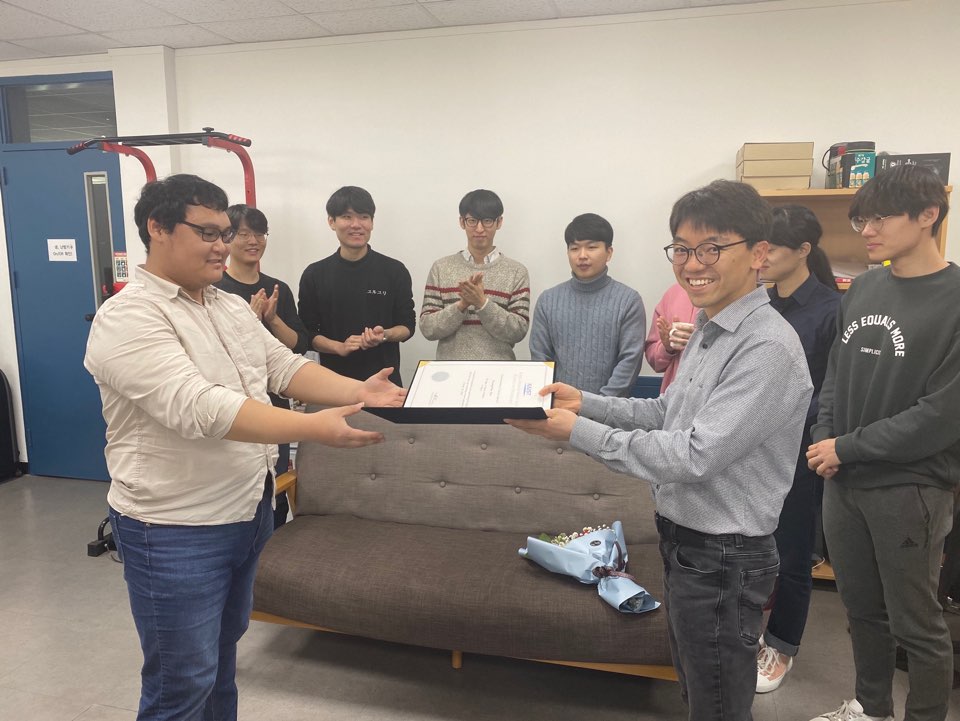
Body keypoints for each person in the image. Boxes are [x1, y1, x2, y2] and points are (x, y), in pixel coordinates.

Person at [84, 174, 405, 721]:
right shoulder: (128, 317)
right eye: (207, 233)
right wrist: (311, 428)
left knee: (220, 668)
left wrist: (359, 392)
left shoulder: (227, 306)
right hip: (176, 529)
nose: (223, 246)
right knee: (181, 685)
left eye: (225, 233)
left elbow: (284, 367)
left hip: (247, 512)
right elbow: (200, 407)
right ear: (157, 228)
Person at [508, 179, 812, 721]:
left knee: (717, 705)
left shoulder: (766, 346)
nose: (693, 264)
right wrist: (585, 403)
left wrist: (574, 431)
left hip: (724, 556)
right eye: (682, 249)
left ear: (758, 253)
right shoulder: (710, 326)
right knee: (698, 693)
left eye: (711, 248)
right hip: (687, 546)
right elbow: (665, 411)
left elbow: (692, 455)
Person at [807, 165, 958, 721]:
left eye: (880, 218)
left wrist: (846, 447)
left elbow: (941, 416)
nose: (867, 230)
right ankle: (871, 709)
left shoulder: (955, 299)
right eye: (861, 220)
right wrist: (825, 438)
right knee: (861, 612)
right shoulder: (866, 287)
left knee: (917, 625)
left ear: (928, 215)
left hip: (909, 487)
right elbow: (835, 374)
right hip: (843, 479)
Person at [754, 205, 841, 693]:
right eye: (759, 246)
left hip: (800, 452)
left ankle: (781, 646)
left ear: (804, 250)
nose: (762, 256)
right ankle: (751, 631)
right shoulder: (761, 304)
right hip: (752, 447)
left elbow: (830, 391)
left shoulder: (831, 310)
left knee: (792, 555)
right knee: (753, 548)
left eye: (772, 248)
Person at [215, 203, 310, 528]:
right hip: (235, 405)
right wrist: (250, 320)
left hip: (275, 402)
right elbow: (218, 353)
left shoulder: (277, 287)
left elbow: (298, 344)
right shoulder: (216, 289)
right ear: (227, 238)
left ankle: (275, 547)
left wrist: (272, 319)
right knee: (241, 490)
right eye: (244, 234)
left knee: (276, 486)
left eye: (259, 233)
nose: (253, 241)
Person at [299, 186, 415, 386]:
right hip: (332, 386)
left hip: (385, 384)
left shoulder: (394, 270)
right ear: (331, 222)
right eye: (346, 217)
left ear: (372, 223)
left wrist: (384, 335)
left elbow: (407, 326)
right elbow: (306, 334)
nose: (356, 225)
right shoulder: (315, 274)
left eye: (364, 217)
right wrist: (339, 347)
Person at [528, 212, 645, 396]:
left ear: (609, 253)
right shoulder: (548, 300)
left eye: (591, 247)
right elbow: (540, 359)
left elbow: (630, 361)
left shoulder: (628, 301)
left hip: (609, 410)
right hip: (557, 407)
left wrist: (598, 406)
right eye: (574, 248)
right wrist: (556, 402)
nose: (582, 256)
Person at [420, 189, 530, 359]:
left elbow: (518, 331)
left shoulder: (517, 272)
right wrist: (462, 305)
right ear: (462, 222)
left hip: (499, 371)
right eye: (472, 221)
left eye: (487, 221)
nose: (479, 229)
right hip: (451, 370)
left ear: (499, 222)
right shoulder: (441, 268)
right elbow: (428, 328)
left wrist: (482, 303)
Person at [643, 282, 696, 392]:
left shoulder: (731, 295)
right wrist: (667, 347)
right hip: (672, 396)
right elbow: (654, 361)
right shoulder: (674, 293)